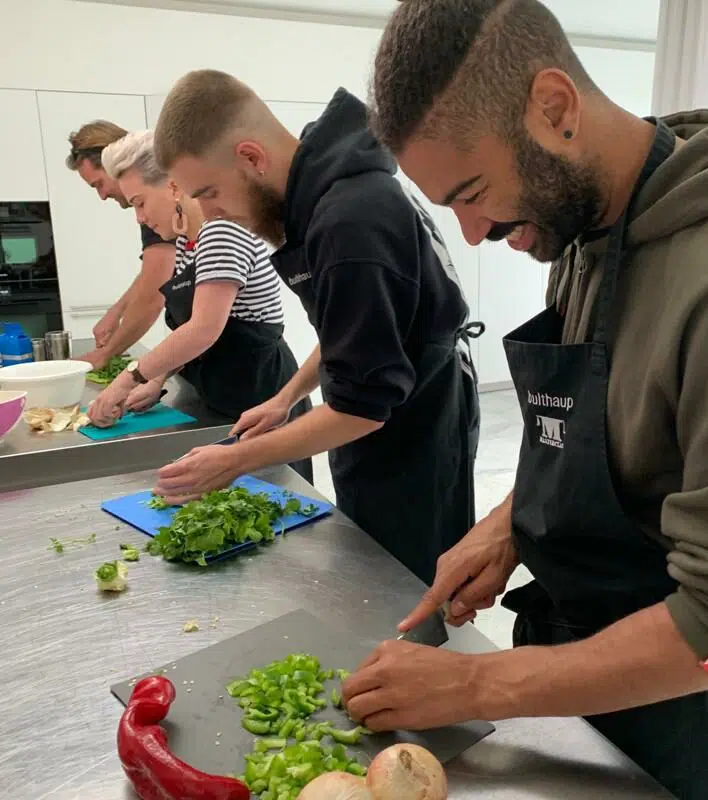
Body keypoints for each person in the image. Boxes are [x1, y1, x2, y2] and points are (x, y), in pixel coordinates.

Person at [341, 2, 708, 799]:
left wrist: (474, 685)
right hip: (578, 671)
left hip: (698, 710)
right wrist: (510, 523)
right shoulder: (583, 231)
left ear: (555, 108)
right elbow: (604, 429)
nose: (473, 233)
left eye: (473, 192)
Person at [150, 70, 482, 586]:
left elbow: (363, 407)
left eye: (210, 193)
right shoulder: (324, 198)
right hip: (380, 420)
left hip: (416, 428)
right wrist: (286, 397)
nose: (210, 214)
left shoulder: (351, 219)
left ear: (251, 158)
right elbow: (349, 331)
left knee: (403, 583)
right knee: (368, 561)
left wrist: (234, 461)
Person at [87, 130, 313, 484]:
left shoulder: (222, 230)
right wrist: (157, 378)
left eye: (140, 203)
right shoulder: (187, 241)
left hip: (260, 397)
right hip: (223, 395)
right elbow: (189, 326)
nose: (139, 218)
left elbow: (204, 328)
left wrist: (127, 379)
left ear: (173, 186)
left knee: (272, 502)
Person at [66, 120, 175, 369]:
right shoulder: (152, 209)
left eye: (98, 184)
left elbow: (153, 293)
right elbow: (153, 274)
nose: (102, 196)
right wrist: (116, 311)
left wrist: (107, 353)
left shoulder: (161, 208)